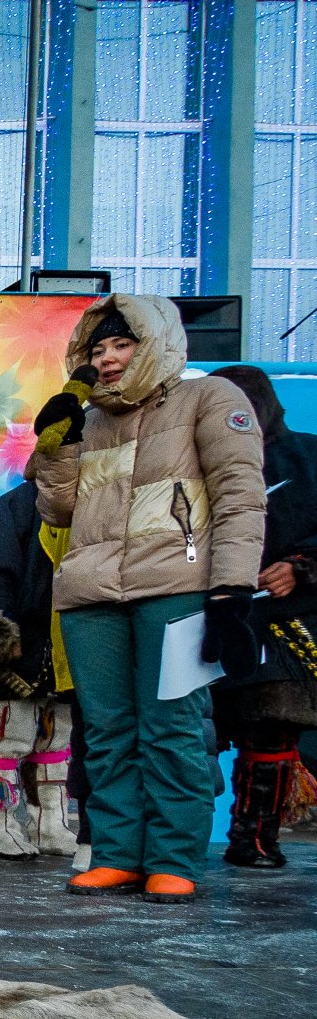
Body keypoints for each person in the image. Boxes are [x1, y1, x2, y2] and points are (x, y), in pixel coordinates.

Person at [34, 296, 266, 904]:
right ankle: (116, 854)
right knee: (107, 732)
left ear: (154, 342)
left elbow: (241, 496)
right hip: (91, 594)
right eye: (98, 348)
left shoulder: (209, 399)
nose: (108, 359)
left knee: (173, 728)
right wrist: (56, 442)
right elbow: (59, 511)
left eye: (122, 345)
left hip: (178, 588)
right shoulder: (89, 420)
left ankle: (174, 858)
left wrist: (233, 588)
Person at [208, 366, 317, 869]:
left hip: (284, 622)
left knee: (272, 725)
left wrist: (302, 566)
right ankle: (171, 845)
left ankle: (253, 838)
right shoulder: (200, 458)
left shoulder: (310, 456)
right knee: (192, 732)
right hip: (202, 612)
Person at [0, 474, 85, 861]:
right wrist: (1, 627)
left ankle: (51, 825)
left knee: (56, 742)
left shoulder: (93, 498)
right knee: (5, 739)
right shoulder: (15, 507)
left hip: (69, 645)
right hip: (21, 646)